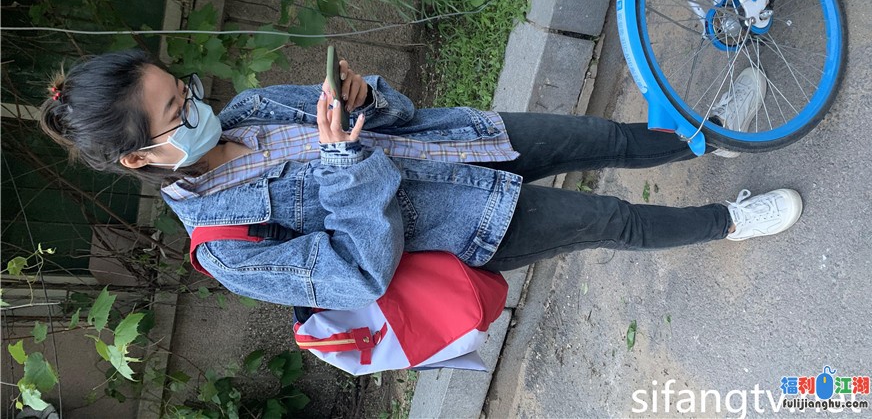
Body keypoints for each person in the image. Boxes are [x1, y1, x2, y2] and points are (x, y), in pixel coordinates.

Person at [39, 49, 802, 309]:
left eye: (187, 88)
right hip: (470, 225)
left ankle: (709, 139)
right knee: (611, 222)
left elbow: (400, 114)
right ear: (140, 158)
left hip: (468, 142)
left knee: (599, 136)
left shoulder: (251, 109)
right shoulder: (224, 245)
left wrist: (365, 97)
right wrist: (345, 166)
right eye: (179, 110)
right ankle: (729, 221)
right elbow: (359, 274)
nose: (202, 106)